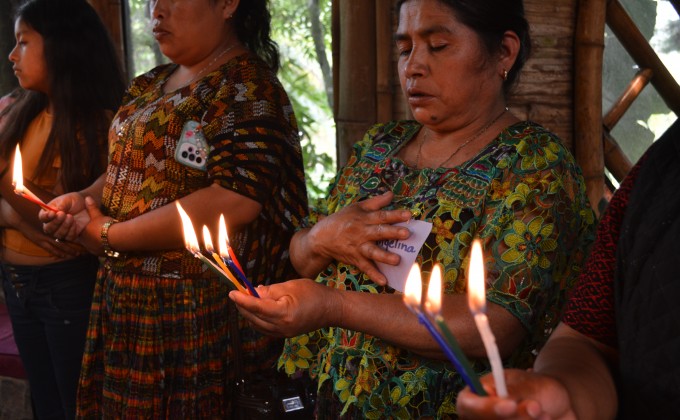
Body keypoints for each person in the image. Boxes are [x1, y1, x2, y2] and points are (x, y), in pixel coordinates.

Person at [230, 0, 595, 417]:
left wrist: (334, 305)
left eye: (438, 46)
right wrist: (321, 237)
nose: (414, 66)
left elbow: (495, 323)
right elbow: (300, 256)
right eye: (405, 49)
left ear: (504, 52)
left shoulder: (533, 164)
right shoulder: (378, 147)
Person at [39, 0, 308, 417]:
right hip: (128, 304)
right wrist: (86, 199)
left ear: (228, 4)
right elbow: (123, 168)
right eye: (151, 0)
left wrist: (112, 235)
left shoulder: (247, 87)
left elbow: (235, 199)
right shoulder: (151, 82)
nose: (156, 10)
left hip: (195, 317)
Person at [456, 118, 680, 420]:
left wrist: (366, 310)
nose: (414, 69)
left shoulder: (537, 162)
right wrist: (566, 394)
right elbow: (587, 339)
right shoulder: (662, 168)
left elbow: (501, 322)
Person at [0, 0, 125, 418]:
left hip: (65, 285)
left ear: (63, 47)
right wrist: (13, 215)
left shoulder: (97, 126)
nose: (12, 56)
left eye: (24, 43)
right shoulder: (18, 112)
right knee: (45, 399)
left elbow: (55, 218)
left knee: (74, 402)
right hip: (17, 283)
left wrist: (13, 204)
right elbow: (25, 212)